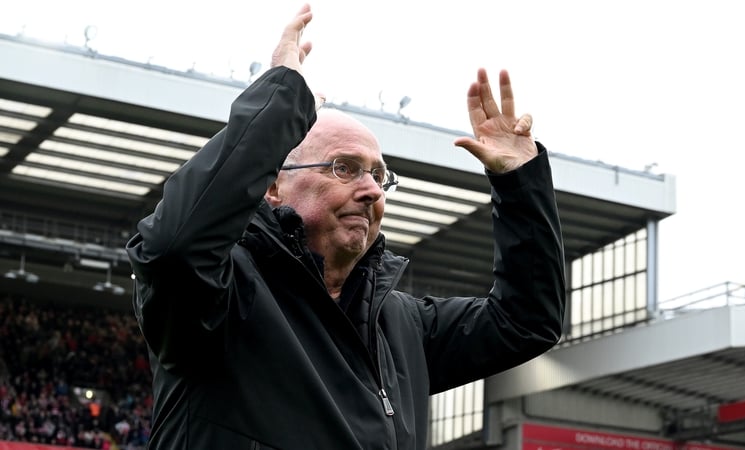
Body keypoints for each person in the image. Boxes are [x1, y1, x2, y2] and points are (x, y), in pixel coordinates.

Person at [126, 4, 565, 449]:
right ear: (275, 186)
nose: (372, 190)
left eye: (378, 175)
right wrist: (281, 105)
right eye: (344, 168)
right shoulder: (223, 293)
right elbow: (172, 249)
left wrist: (519, 185)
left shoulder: (401, 324)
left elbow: (525, 322)